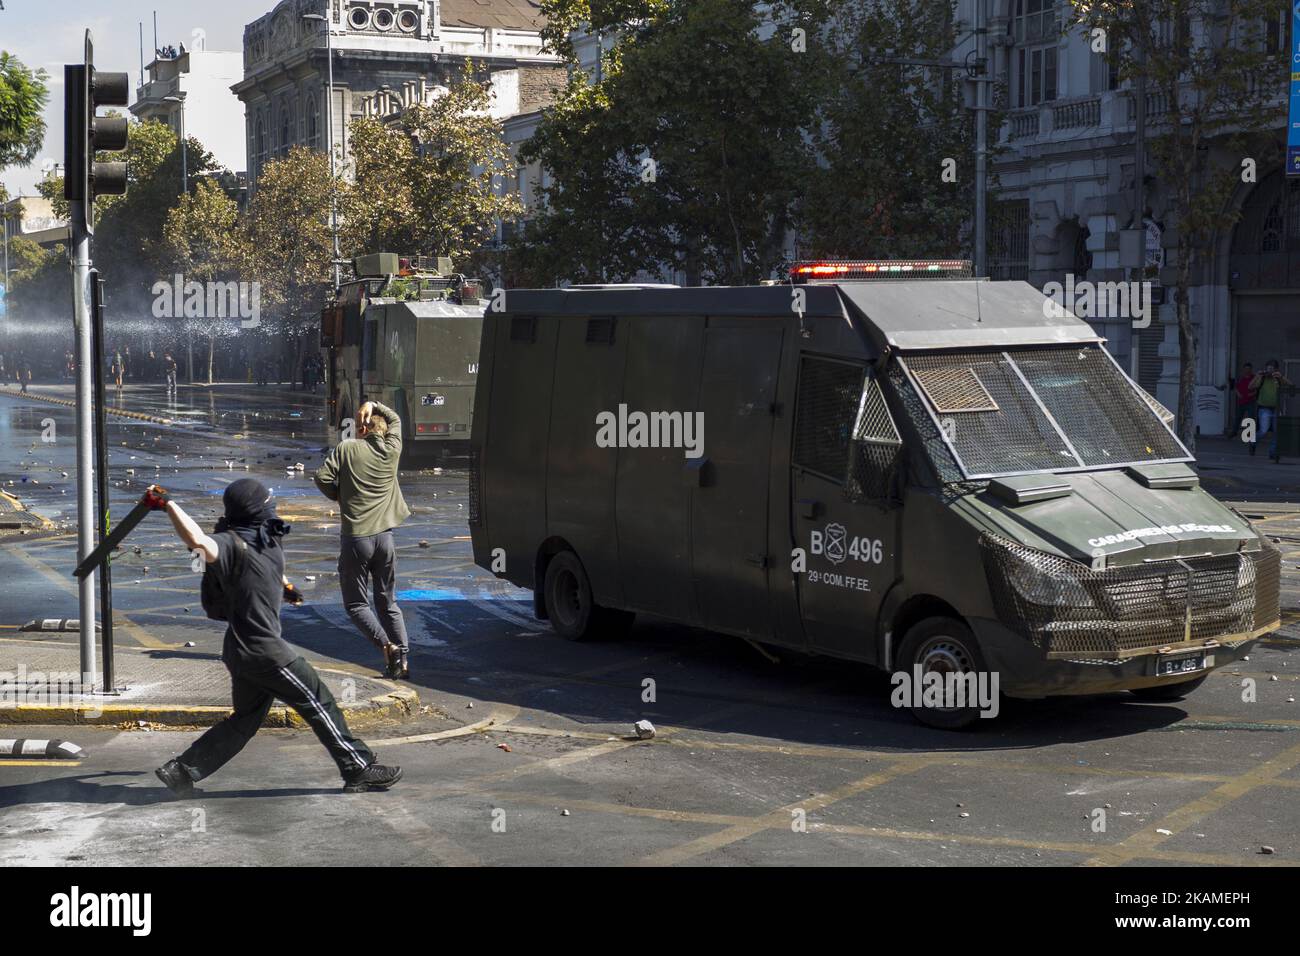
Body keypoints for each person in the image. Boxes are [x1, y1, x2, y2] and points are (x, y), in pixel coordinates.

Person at [150, 479, 401, 796]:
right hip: (263, 650)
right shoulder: (229, 544)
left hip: (243, 651)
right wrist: (169, 503)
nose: (273, 508)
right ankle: (357, 768)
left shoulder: (262, 536)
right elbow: (197, 542)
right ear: (254, 509)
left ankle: (181, 771)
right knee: (319, 701)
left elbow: (267, 563)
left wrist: (286, 587)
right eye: (267, 504)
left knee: (245, 720)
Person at [313, 400, 412, 679]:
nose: (356, 429)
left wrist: (338, 495)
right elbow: (396, 421)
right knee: (388, 602)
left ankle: (387, 646)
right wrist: (374, 404)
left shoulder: (347, 449)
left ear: (365, 428)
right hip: (385, 539)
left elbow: (322, 477)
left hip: (357, 539)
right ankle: (402, 661)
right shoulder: (392, 450)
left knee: (356, 604)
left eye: (359, 425)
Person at [1250, 360, 1292, 463]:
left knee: (1277, 432)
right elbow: (1250, 387)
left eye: (1272, 369)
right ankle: (1253, 441)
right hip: (1264, 407)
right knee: (1263, 430)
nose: (1270, 371)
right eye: (1268, 368)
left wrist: (1281, 377)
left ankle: (1273, 453)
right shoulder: (1262, 378)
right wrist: (1257, 376)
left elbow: (1291, 385)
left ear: (1276, 369)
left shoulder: (1278, 378)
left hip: (1276, 408)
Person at [1235, 362, 1257, 440]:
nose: (1247, 370)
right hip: (1241, 401)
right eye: (1246, 369)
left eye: (1249, 369)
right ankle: (1234, 432)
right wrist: (1238, 394)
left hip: (1250, 401)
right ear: (1243, 369)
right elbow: (1236, 387)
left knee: (1250, 418)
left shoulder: (1254, 378)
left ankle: (1249, 433)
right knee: (1238, 417)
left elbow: (1258, 389)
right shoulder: (1241, 378)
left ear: (1251, 369)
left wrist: (1253, 394)